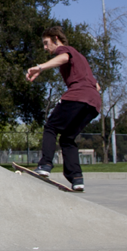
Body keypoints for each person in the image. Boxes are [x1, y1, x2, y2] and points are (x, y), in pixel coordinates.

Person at [24, 26, 101, 191]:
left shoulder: (65, 50)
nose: (45, 48)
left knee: (51, 127)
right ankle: (76, 178)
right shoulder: (81, 58)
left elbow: (64, 57)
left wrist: (40, 67)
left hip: (77, 96)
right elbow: (97, 86)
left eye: (46, 43)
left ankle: (45, 165)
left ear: (56, 39)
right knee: (67, 138)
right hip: (93, 102)